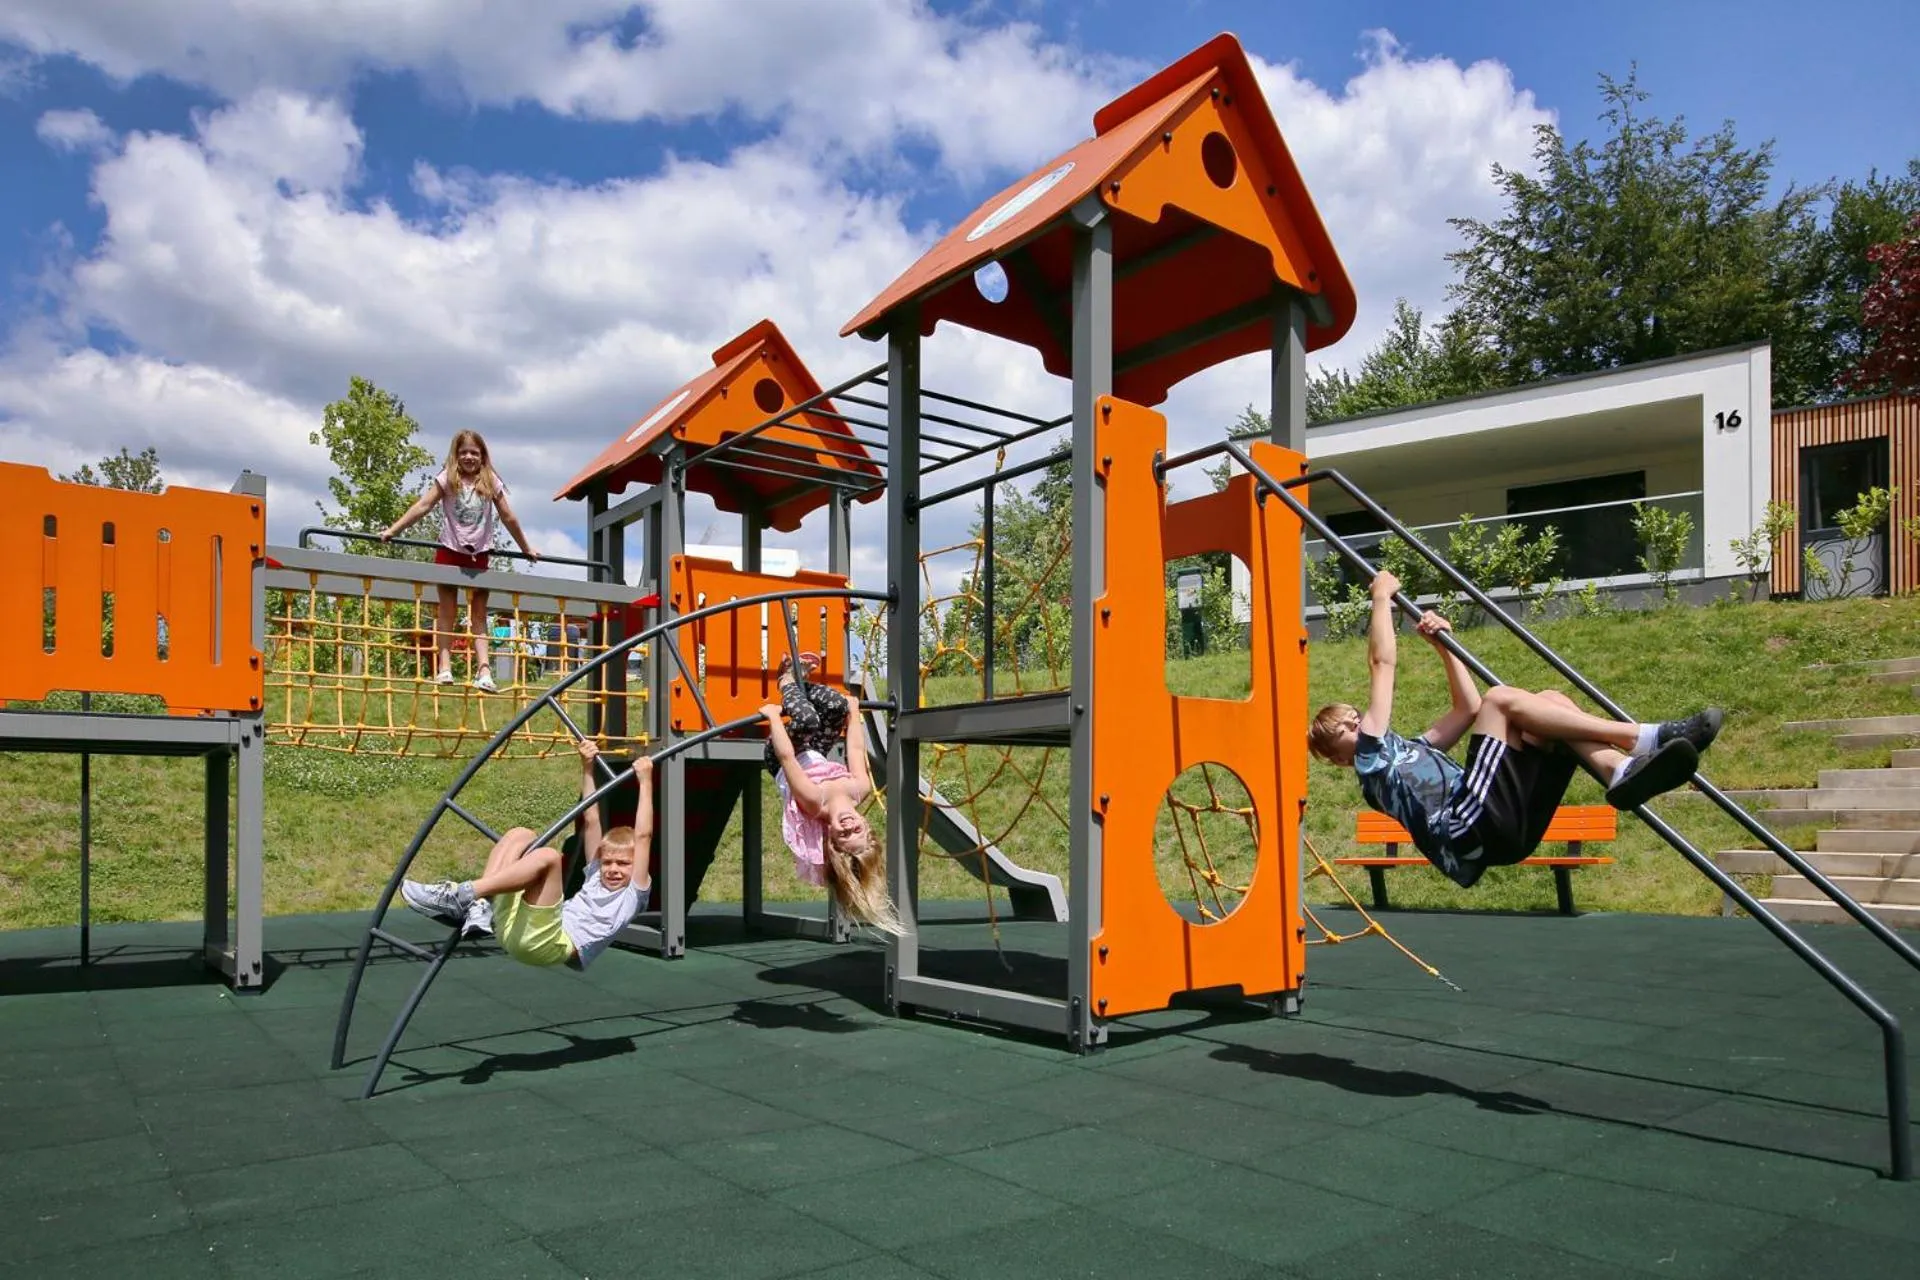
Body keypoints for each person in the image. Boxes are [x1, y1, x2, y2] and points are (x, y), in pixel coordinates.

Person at [1307, 570, 1722, 890]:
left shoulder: (1410, 751)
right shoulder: (1371, 764)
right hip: (1467, 829)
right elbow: (1383, 666)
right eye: (1341, 729)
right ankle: (1640, 737)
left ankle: (1618, 770)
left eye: (1352, 716)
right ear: (1339, 757)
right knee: (1500, 699)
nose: (1354, 722)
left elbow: (1466, 709)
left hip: (1508, 831)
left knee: (1552, 701)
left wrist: (1444, 649)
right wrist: (1380, 598)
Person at [400, 739, 651, 969]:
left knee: (550, 857)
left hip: (548, 942)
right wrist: (586, 767)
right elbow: (591, 817)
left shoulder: (632, 895)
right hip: (514, 929)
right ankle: (480, 906)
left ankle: (463, 893)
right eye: (608, 861)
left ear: (637, 865)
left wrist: (646, 782)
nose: (613, 869)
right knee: (522, 835)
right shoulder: (597, 875)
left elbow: (643, 836)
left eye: (623, 863)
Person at [380, 429, 538, 690]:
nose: (469, 457)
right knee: (447, 610)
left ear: (483, 456)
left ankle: (484, 671)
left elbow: (508, 516)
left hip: (479, 552)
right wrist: (394, 530)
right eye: (463, 452)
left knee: (479, 613)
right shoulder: (447, 479)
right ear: (455, 455)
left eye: (474, 452)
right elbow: (423, 505)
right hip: (450, 549)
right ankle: (444, 667)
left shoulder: (490, 481)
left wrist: (525, 547)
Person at [759, 653, 902, 934]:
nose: (848, 826)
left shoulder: (814, 803)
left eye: (843, 834)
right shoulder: (858, 790)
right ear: (866, 826)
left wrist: (775, 719)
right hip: (815, 750)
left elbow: (787, 758)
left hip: (781, 755)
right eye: (856, 830)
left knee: (808, 720)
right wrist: (855, 716)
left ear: (832, 838)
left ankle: (787, 681)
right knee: (837, 705)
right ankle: (799, 682)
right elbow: (857, 752)